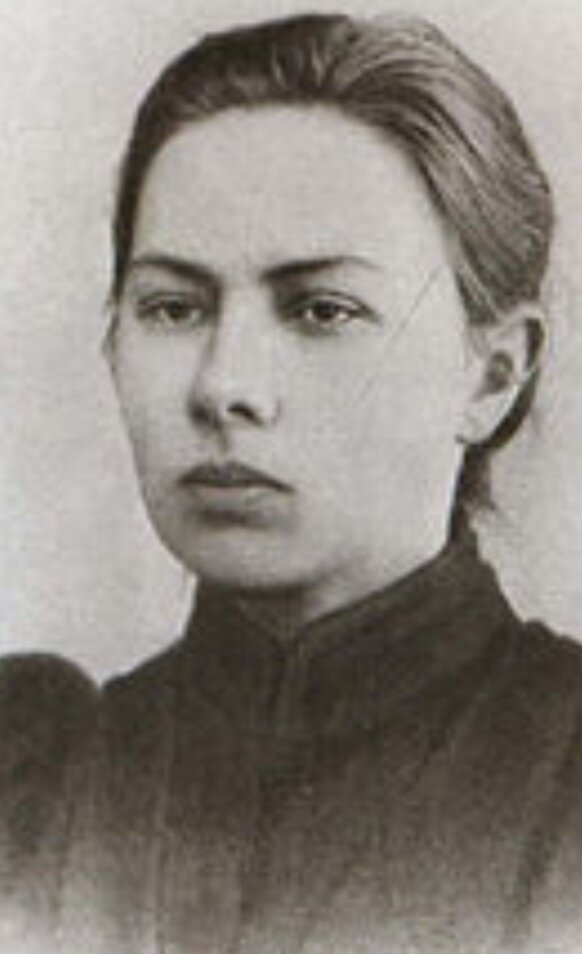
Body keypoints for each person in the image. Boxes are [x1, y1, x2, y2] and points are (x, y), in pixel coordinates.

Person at [1, 11, 582, 954]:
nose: (224, 385)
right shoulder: (36, 790)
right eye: (173, 307)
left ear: (491, 376)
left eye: (322, 310)